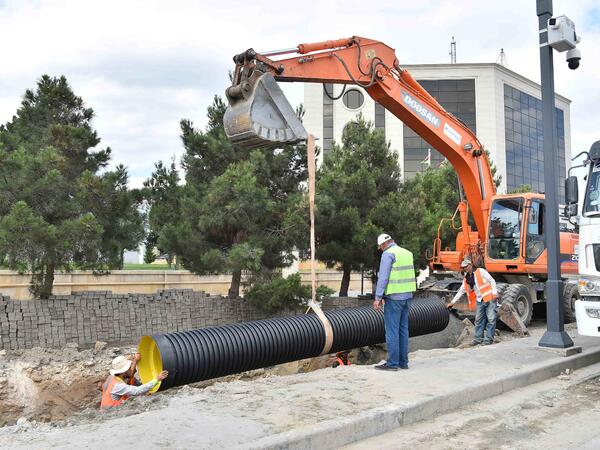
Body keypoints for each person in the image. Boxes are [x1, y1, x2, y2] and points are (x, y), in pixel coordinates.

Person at [373, 233, 416, 371]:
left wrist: (378, 298)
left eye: (380, 247)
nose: (380, 249)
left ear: (384, 244)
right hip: (407, 296)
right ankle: (403, 362)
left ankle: (392, 363)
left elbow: (383, 277)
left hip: (394, 298)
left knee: (392, 331)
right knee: (403, 329)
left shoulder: (388, 254)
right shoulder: (407, 253)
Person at [447, 258, 498, 345]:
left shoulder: (480, 271)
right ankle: (478, 339)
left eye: (466, 266)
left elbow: (492, 281)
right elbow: (461, 291)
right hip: (480, 300)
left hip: (489, 298)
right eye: (463, 267)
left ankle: (488, 340)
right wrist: (452, 302)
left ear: (470, 265)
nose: (465, 268)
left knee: (491, 319)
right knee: (478, 320)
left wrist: (494, 293)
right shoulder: (467, 278)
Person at [100, 353, 168, 409]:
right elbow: (137, 391)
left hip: (105, 409)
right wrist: (157, 379)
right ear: (124, 371)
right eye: (129, 367)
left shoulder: (111, 378)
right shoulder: (119, 386)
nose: (131, 368)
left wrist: (135, 360)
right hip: (111, 412)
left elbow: (129, 375)